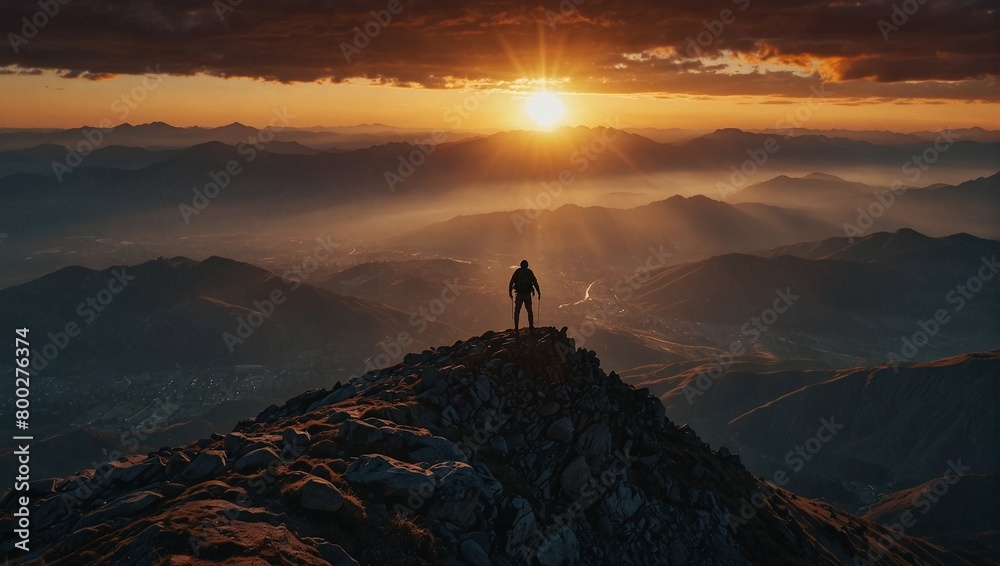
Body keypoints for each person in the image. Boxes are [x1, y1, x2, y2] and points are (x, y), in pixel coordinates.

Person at [509, 259, 540, 333]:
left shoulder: (517, 272)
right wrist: (539, 292)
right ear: (527, 265)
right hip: (527, 294)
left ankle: (516, 328)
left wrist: (510, 293)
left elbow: (511, 282)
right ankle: (531, 327)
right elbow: (535, 282)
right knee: (529, 311)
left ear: (520, 265)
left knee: (517, 311)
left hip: (519, 294)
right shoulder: (529, 272)